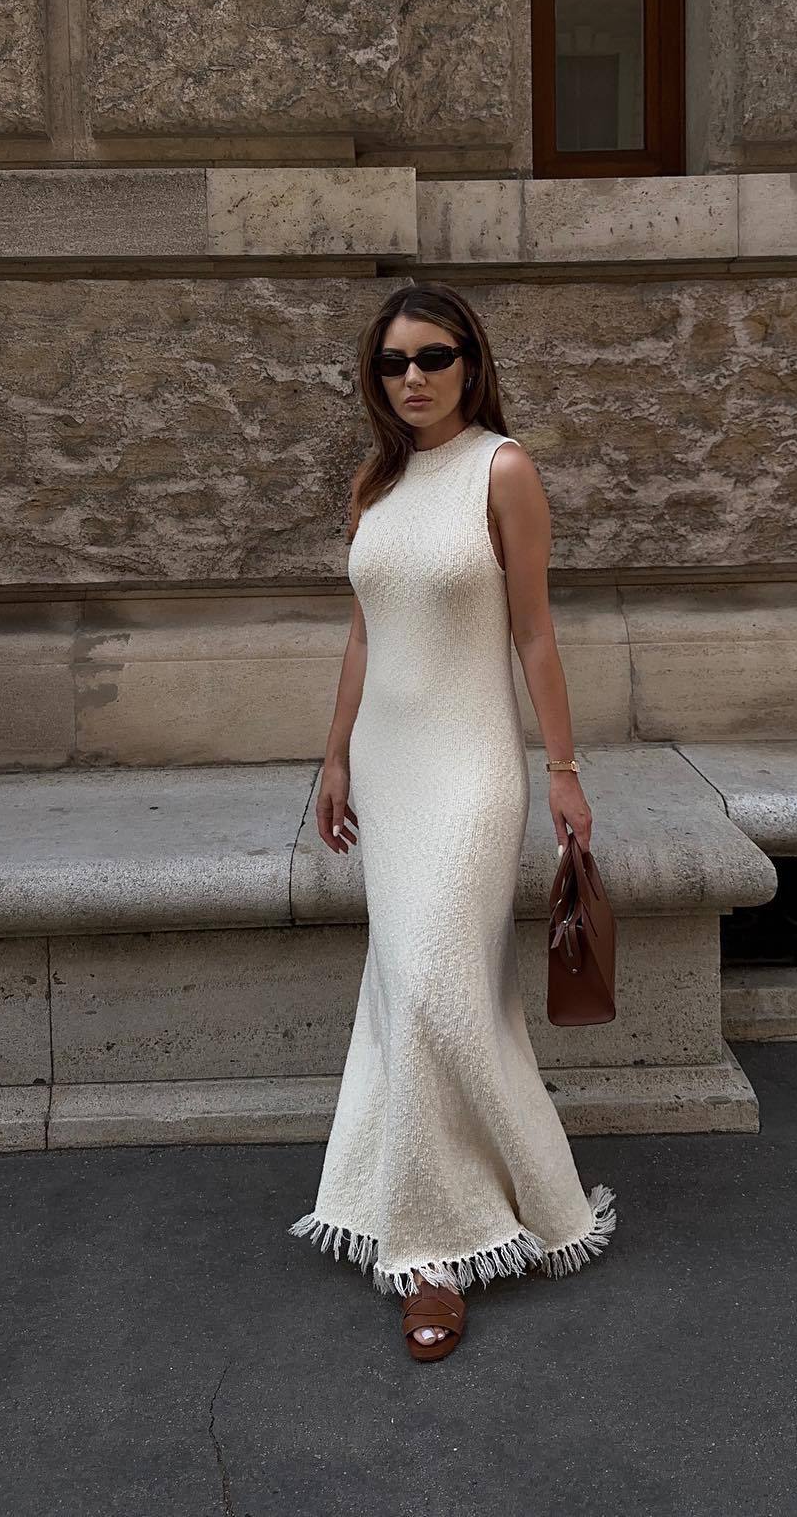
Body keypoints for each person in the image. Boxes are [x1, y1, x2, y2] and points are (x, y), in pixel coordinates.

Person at [288, 281, 617, 1361]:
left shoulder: (503, 469)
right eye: (393, 362)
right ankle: (424, 1233)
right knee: (407, 986)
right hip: (386, 764)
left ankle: (444, 1238)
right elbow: (361, 634)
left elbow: (535, 635)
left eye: (434, 356)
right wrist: (334, 754)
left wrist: (563, 767)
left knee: (433, 975)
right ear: (374, 378)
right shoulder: (374, 483)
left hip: (473, 765)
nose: (414, 377)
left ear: (470, 361)